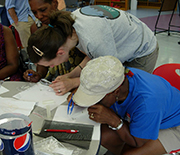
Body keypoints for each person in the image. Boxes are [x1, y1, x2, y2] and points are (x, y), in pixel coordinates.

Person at [27, 5, 159, 95]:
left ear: (60, 52)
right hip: (119, 45)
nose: (52, 67)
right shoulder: (67, 31)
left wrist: (73, 82)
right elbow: (94, 56)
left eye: (50, 64)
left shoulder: (92, 37)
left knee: (130, 93)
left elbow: (111, 74)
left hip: (142, 50)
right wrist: (70, 75)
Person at [72, 55, 180, 155]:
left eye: (96, 99)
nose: (93, 103)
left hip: (173, 125)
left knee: (129, 153)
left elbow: (137, 142)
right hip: (153, 114)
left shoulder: (147, 104)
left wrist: (114, 121)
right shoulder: (118, 76)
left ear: (116, 92)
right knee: (104, 135)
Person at [23, 0, 85, 96]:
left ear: (55, 4)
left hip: (83, 79)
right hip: (56, 82)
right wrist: (39, 74)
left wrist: (73, 80)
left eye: (43, 10)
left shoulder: (73, 26)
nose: (39, 16)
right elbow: (43, 59)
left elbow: (93, 60)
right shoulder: (36, 28)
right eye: (34, 12)